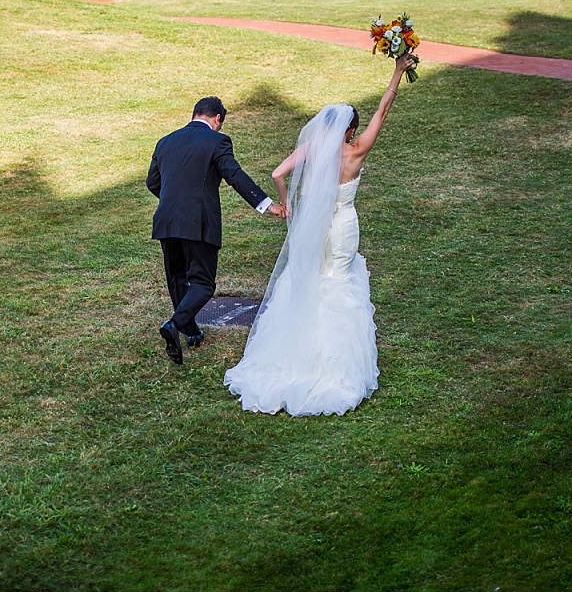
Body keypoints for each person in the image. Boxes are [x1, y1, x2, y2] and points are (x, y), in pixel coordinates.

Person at [224, 55, 415, 415]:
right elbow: (383, 113)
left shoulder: (312, 150)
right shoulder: (355, 151)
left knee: (309, 281)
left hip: (310, 230)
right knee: (338, 281)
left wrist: (288, 206)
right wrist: (397, 72)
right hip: (342, 227)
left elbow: (278, 174)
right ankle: (337, 368)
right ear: (350, 130)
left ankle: (292, 359)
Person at [146, 97, 286, 365]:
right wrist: (268, 205)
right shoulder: (217, 141)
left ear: (194, 114)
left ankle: (189, 330)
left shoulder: (165, 141)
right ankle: (174, 324)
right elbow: (234, 175)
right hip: (198, 222)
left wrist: (172, 203)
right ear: (217, 119)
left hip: (166, 220)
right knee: (202, 282)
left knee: (177, 276)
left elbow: (153, 182)